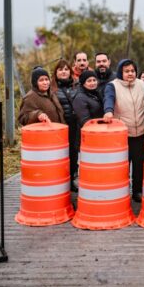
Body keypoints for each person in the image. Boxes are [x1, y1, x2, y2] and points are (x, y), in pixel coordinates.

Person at [103, 59, 144, 203]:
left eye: (132, 71)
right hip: (122, 134)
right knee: (122, 166)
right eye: (126, 71)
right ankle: (121, 193)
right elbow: (108, 100)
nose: (130, 74)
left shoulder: (142, 84)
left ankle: (137, 191)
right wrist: (108, 111)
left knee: (139, 164)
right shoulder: (113, 86)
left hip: (141, 131)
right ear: (120, 72)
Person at [52, 59, 79, 191]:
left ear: (70, 71)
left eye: (66, 69)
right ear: (56, 72)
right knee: (61, 154)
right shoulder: (52, 88)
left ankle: (72, 179)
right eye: (60, 69)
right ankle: (61, 181)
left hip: (75, 125)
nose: (64, 72)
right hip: (60, 126)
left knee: (74, 153)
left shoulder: (76, 86)